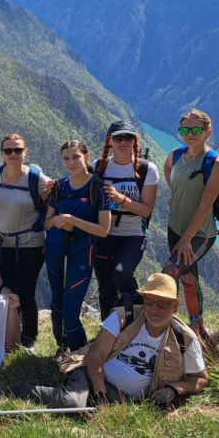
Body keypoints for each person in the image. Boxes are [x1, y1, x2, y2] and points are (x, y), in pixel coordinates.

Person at [5, 274, 209, 409]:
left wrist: (175, 389)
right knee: (73, 404)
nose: (154, 309)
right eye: (149, 302)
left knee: (81, 407)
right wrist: (101, 394)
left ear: (175, 308)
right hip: (93, 374)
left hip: (127, 399)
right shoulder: (124, 317)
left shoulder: (185, 338)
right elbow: (95, 356)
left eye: (162, 305)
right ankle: (17, 390)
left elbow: (199, 378)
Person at [163, 109, 219, 341]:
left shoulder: (216, 163)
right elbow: (168, 169)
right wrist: (176, 192)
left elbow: (204, 206)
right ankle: (196, 330)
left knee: (169, 272)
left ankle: (164, 327)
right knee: (188, 278)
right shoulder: (176, 154)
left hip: (199, 233)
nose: (189, 134)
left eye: (196, 130)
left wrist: (187, 239)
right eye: (184, 130)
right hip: (175, 227)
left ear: (207, 132)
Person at [0, 133, 54, 350]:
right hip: (2, 244)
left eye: (17, 150)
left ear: (25, 152)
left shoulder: (36, 178)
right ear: (2, 153)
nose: (13, 154)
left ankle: (29, 336)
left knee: (25, 290)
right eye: (8, 150)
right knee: (10, 288)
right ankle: (12, 333)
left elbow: (55, 201)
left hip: (30, 243)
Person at [45, 140, 112, 353]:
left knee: (71, 309)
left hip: (82, 252)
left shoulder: (98, 187)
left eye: (76, 157)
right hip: (56, 249)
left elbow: (103, 230)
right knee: (56, 303)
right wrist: (57, 221)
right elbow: (47, 222)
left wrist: (72, 220)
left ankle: (79, 351)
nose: (71, 162)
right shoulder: (59, 186)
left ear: (86, 156)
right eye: (66, 158)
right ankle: (62, 347)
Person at [92, 121, 159, 319]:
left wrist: (120, 198)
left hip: (133, 235)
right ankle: (108, 332)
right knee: (106, 287)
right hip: (104, 233)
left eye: (128, 137)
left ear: (134, 141)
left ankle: (141, 312)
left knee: (121, 274)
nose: (123, 141)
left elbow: (146, 210)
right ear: (109, 141)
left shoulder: (147, 169)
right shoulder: (98, 166)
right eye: (118, 137)